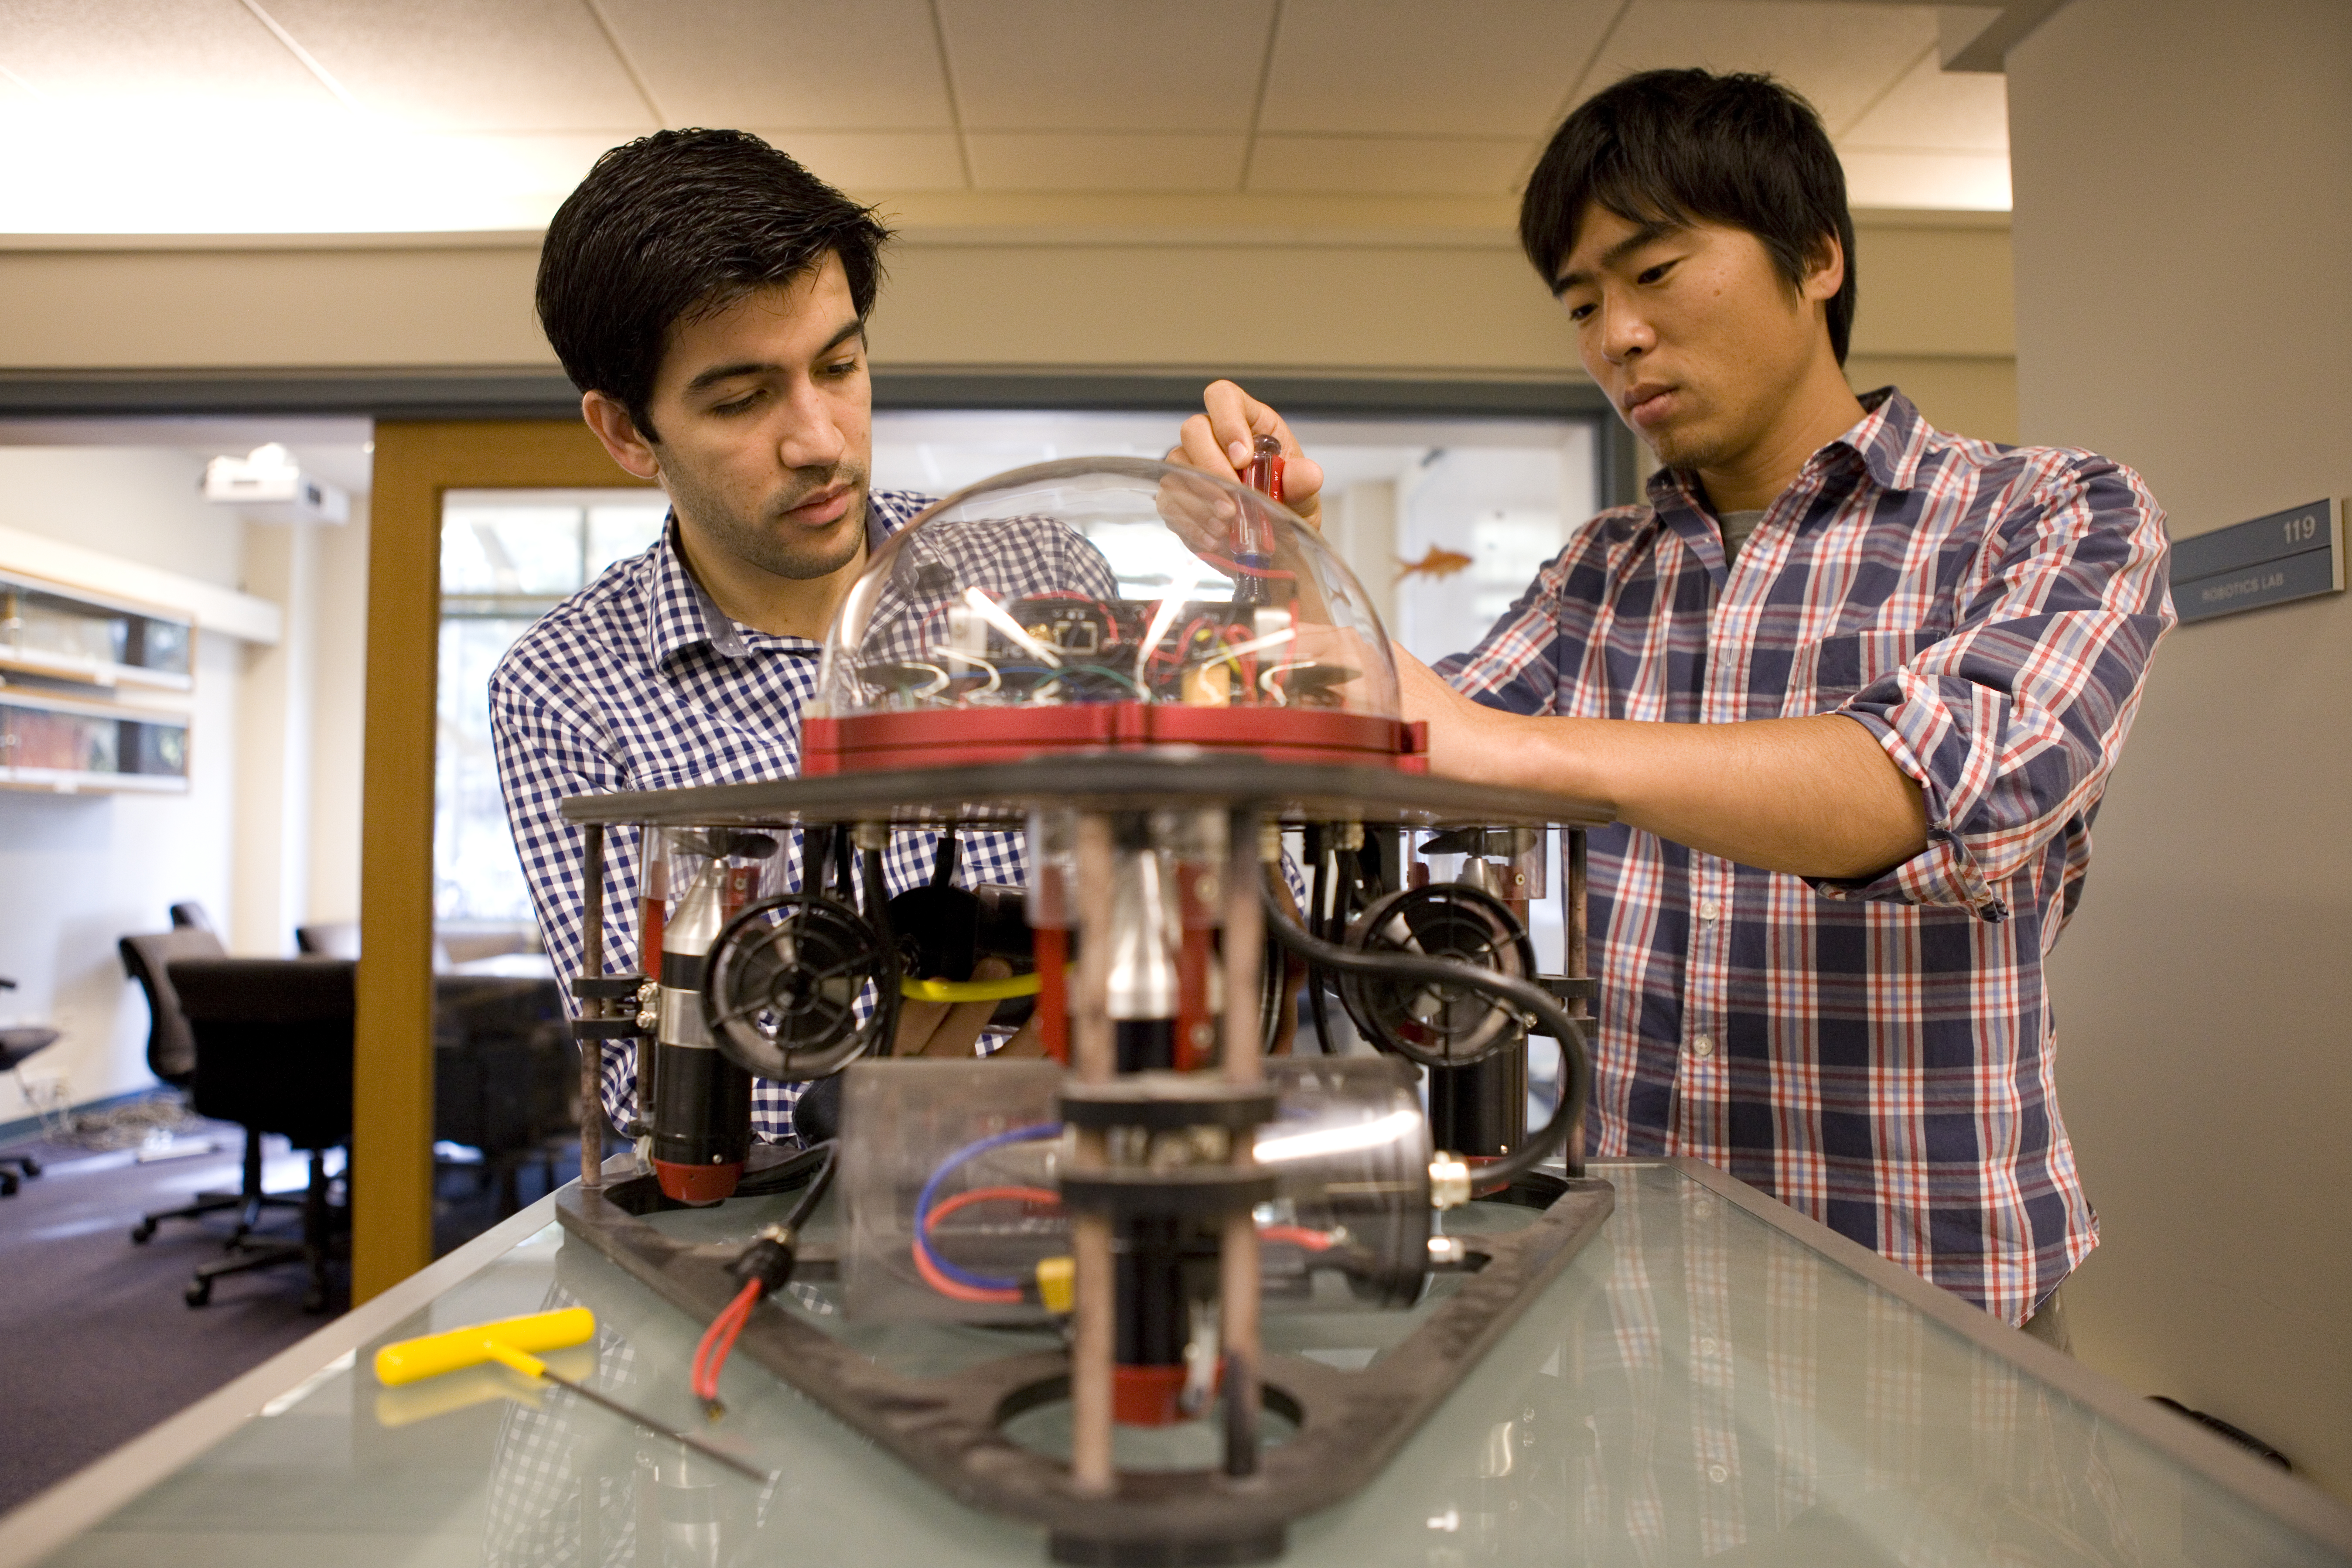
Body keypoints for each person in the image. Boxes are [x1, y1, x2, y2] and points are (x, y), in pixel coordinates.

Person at [1171, 68, 2174, 1331]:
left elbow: (1945, 788)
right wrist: (1283, 556)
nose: (1615, 339)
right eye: (1582, 302)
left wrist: (1510, 746)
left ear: (1816, 258)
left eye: (1653, 274)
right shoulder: (1603, 569)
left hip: (1930, 1296)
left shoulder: (2050, 513)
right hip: (1633, 1295)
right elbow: (1392, 750)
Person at [491, 130, 1050, 1148]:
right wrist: (975, 1088)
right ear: (625, 431)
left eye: (840, 365)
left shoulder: (1030, 577)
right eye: (743, 399)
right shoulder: (565, 685)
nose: (822, 441)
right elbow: (648, 1089)